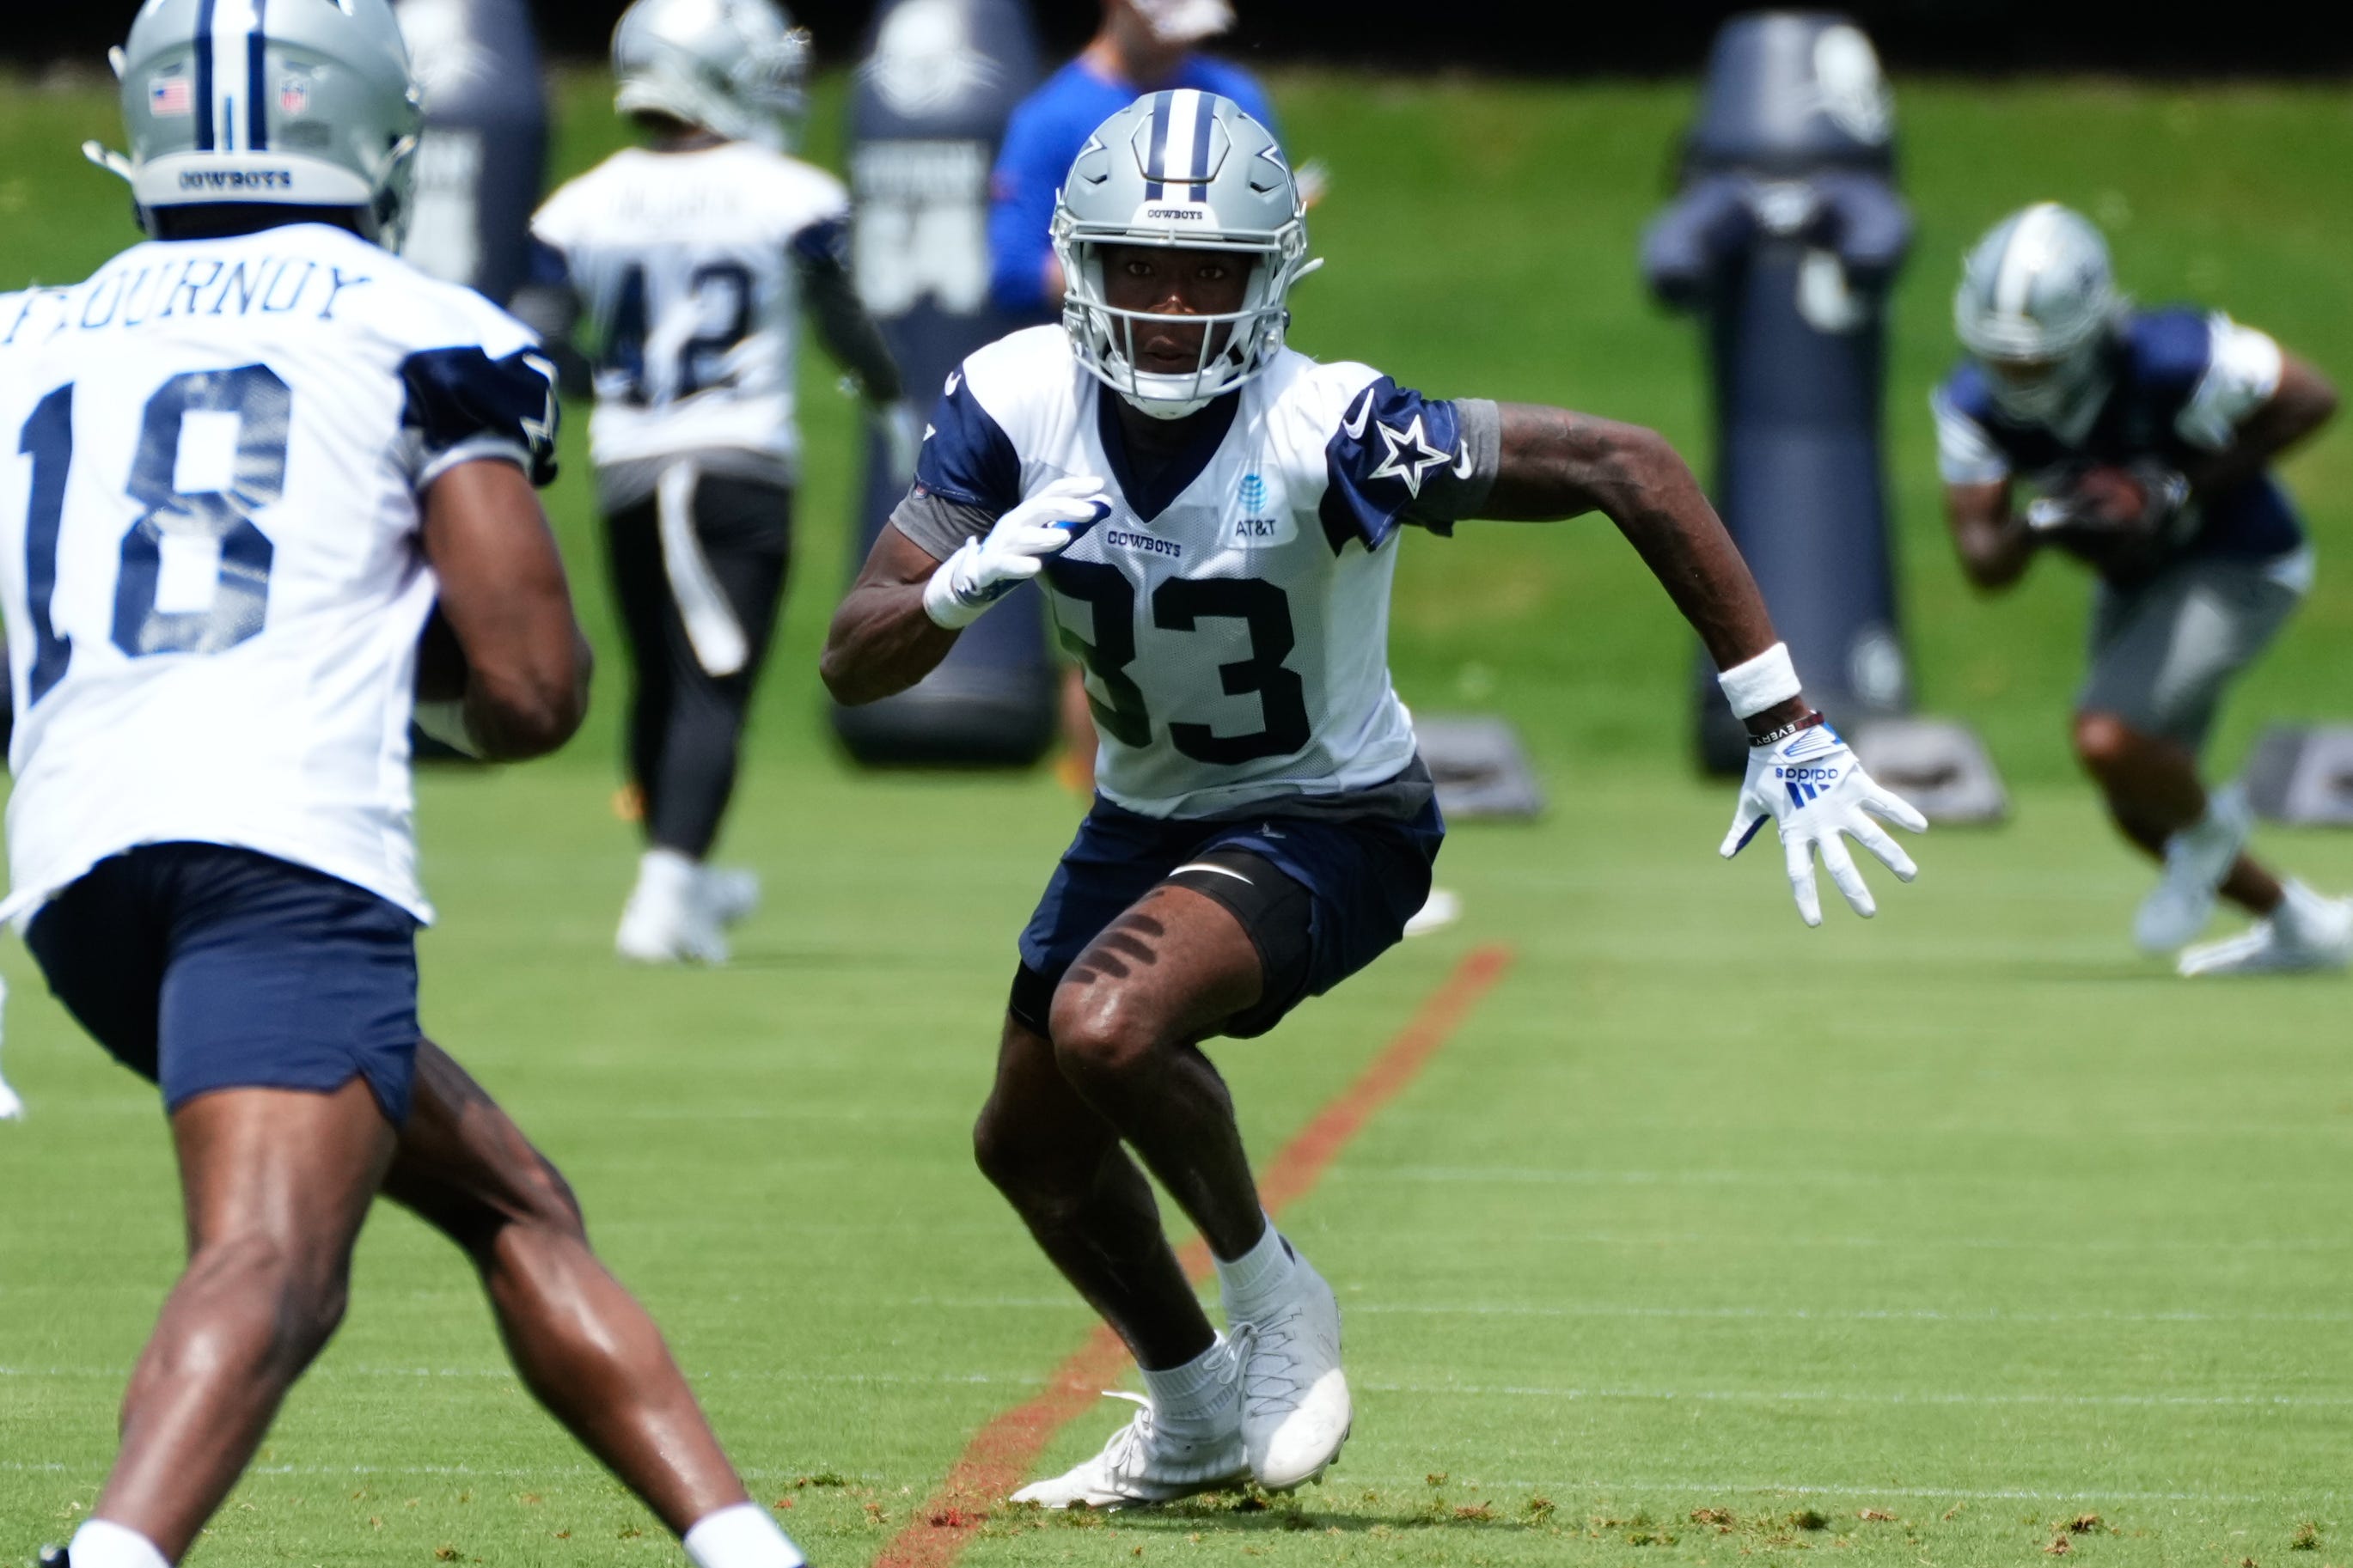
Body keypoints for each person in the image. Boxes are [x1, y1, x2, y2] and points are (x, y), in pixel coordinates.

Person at [822, 91, 1927, 1508]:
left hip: (1331, 819)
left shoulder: (1331, 428)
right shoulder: (1014, 398)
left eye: (1206, 272)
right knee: (1026, 1149)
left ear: (1269, 275)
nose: (1166, 307)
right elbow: (855, 655)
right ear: (1074, 266)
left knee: (1108, 1024)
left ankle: (1276, 1305)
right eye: (1136, 268)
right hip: (1144, 816)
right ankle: (1191, 1411)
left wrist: (1781, 718)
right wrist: (961, 584)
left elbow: (1624, 465)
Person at [6, 5, 804, 1565]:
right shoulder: (420, 327)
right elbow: (531, 689)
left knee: (508, 1194)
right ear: (373, 128)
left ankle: (739, 1543)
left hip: (79, 867)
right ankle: (113, 1555)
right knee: (273, 1263)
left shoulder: (28, 331)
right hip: (281, 848)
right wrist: (389, 666)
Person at [523, 0, 912, 965]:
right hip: (735, 462)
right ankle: (664, 894)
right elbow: (839, 314)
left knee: (660, 678)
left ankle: (683, 874)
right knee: (715, 683)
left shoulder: (583, 201)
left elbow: (529, 336)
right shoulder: (786, 193)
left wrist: (600, 380)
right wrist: (887, 389)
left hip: (628, 462)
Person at [1934, 202, 2350, 976]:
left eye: (2037, 359)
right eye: (2002, 358)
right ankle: (2305, 926)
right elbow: (1986, 562)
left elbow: (2313, 396)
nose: (2017, 377)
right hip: (2142, 579)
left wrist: (2174, 487)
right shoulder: (1972, 404)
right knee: (2136, 805)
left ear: (2090, 332)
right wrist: (2047, 522)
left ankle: (2214, 830)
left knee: (2109, 738)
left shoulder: (2170, 355)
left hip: (2242, 561)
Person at [988, 0, 1275, 321]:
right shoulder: (1050, 119)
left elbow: (1278, 256)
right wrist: (1135, 271)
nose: (1184, 39)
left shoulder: (1236, 98)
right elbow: (1015, 271)